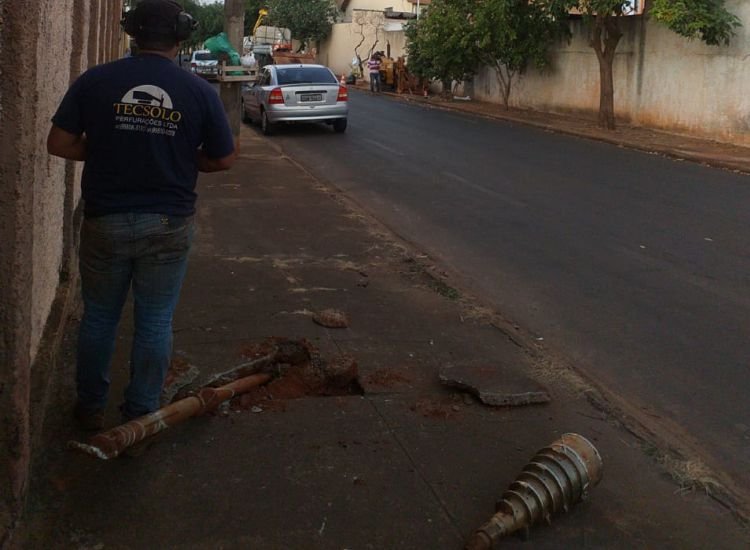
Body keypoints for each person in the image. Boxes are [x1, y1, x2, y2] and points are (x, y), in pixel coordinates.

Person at [47, 0, 237, 433]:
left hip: (105, 220)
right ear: (182, 35)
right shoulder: (198, 92)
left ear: (130, 32)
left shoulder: (95, 81)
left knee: (99, 317)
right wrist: (188, 162)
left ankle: (90, 407)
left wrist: (105, 150)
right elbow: (224, 160)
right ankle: (140, 415)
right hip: (168, 224)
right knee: (154, 322)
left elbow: (58, 142)